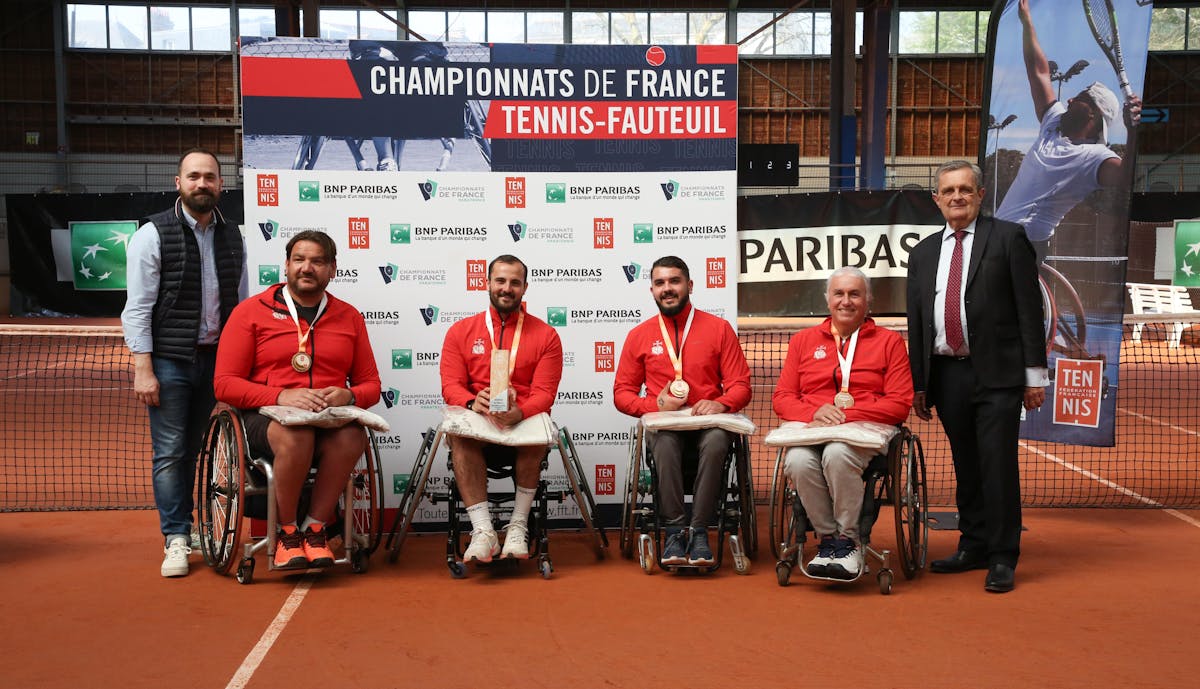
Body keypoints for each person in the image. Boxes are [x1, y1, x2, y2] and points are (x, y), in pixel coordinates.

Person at [907, 160, 1048, 593]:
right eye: (947, 191)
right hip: (947, 375)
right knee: (965, 464)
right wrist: (920, 383)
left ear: (980, 194)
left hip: (999, 377)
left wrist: (1034, 376)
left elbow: (1029, 309)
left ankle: (1003, 555)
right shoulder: (924, 251)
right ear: (937, 199)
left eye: (965, 189)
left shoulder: (1009, 238)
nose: (956, 197)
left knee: (997, 464)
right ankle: (973, 544)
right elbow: (917, 320)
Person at [213, 231, 381, 570]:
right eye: (299, 260)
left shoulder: (349, 317)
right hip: (266, 419)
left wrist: (348, 394)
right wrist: (281, 395)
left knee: (353, 435)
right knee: (297, 435)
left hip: (328, 419)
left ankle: (315, 530)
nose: (307, 268)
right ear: (286, 265)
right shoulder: (250, 312)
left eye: (317, 261)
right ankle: (287, 533)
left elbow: (371, 386)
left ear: (332, 269)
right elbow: (224, 384)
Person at [121, 148, 248, 578]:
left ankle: (188, 529)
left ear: (220, 185)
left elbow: (241, 305)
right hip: (170, 361)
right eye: (193, 176)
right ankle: (176, 537)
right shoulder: (152, 234)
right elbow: (137, 307)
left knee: (196, 450)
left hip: (218, 361)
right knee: (171, 453)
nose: (202, 184)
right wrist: (143, 368)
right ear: (179, 183)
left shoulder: (234, 236)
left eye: (210, 177)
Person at [772, 267, 913, 580]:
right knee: (796, 460)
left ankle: (847, 540)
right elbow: (782, 398)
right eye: (839, 293)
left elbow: (900, 402)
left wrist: (848, 415)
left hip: (863, 433)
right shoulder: (802, 341)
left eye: (854, 294)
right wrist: (813, 412)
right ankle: (829, 540)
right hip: (814, 429)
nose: (846, 301)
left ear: (868, 301)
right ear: (827, 299)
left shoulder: (890, 342)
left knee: (837, 453)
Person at [613, 256, 752, 567]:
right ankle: (676, 531)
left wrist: (721, 403)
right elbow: (621, 395)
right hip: (666, 427)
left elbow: (741, 385)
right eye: (660, 283)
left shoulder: (718, 329)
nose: (668, 288)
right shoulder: (639, 335)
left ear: (689, 285)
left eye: (674, 281)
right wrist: (655, 406)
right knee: (662, 440)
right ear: (651, 290)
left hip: (709, 424)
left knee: (718, 440)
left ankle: (700, 530)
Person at [995, 0, 1142, 262]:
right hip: (1000, 235)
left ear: (1093, 114)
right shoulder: (1052, 123)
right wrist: (1026, 21)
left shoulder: (1095, 156)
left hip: (1026, 243)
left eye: (1080, 98)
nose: (1070, 100)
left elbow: (1124, 178)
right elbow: (1038, 71)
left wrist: (1133, 133)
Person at [440, 255, 563, 563]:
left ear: (524, 288)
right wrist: (472, 401)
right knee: (458, 434)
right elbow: (450, 385)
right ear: (487, 283)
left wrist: (520, 412)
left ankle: (518, 527)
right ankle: (484, 532)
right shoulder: (460, 331)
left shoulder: (546, 335)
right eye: (500, 281)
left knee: (537, 432)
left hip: (521, 419)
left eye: (514, 282)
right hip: (478, 420)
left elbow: (545, 393)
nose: (507, 288)